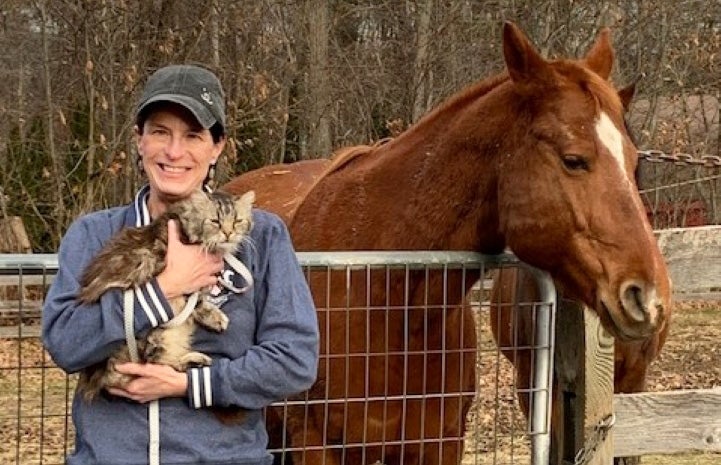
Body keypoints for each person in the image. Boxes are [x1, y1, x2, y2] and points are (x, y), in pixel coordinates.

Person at [42, 64, 320, 465]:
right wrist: (164, 289)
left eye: (193, 135)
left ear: (217, 147)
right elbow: (65, 343)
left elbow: (294, 361)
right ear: (139, 141)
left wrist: (186, 384)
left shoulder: (262, 236)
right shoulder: (92, 233)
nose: (174, 152)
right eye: (160, 132)